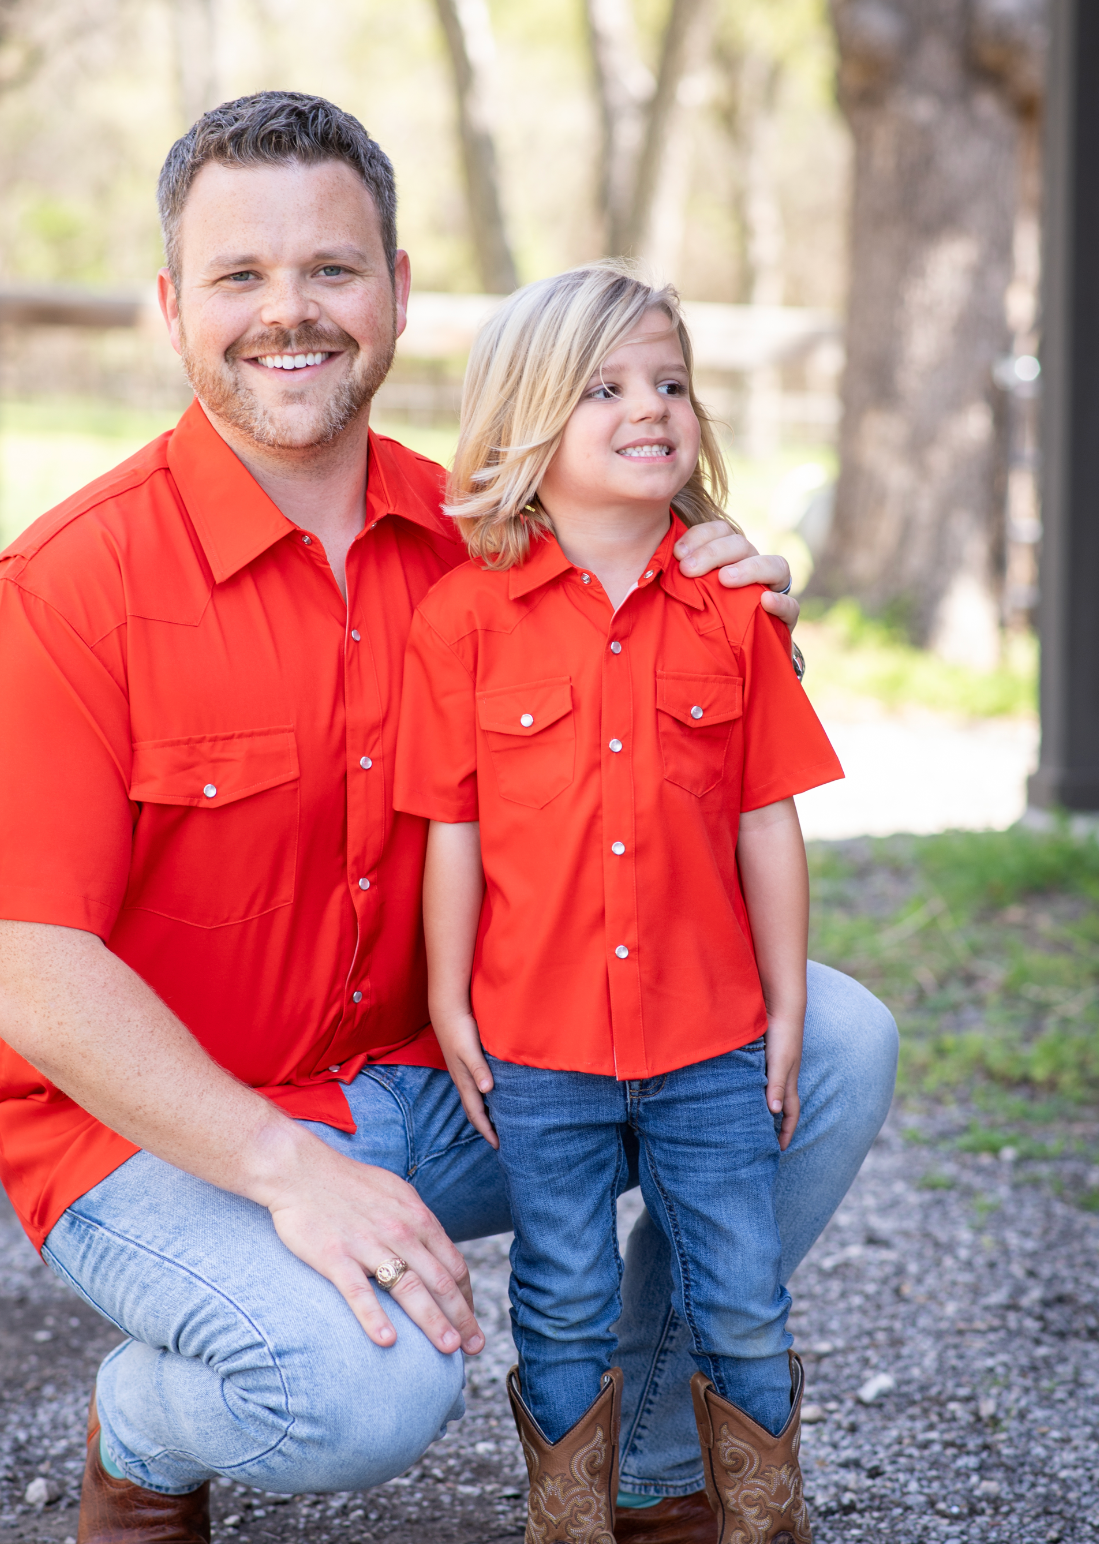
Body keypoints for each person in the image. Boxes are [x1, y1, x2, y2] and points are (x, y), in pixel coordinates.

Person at [0, 92, 896, 1544]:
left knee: (833, 1042)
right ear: (173, 308)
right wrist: (284, 1169)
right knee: (355, 1394)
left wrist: (728, 611)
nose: (289, 312)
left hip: (455, 1075)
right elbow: (25, 972)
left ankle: (657, 1473)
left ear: (399, 294)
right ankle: (141, 1426)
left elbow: (671, 745)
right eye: (242, 277)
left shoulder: (498, 543)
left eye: (332, 269)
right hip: (165, 1136)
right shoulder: (65, 592)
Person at [397, 264, 842, 1544]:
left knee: (745, 1293)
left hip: (712, 1037)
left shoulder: (733, 607)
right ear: (528, 422)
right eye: (605, 387)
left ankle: (763, 1517)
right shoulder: (464, 620)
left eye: (671, 382)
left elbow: (768, 815)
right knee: (566, 1293)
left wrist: (790, 1000)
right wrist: (447, 997)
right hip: (539, 1042)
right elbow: (453, 830)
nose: (650, 407)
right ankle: (571, 1518)